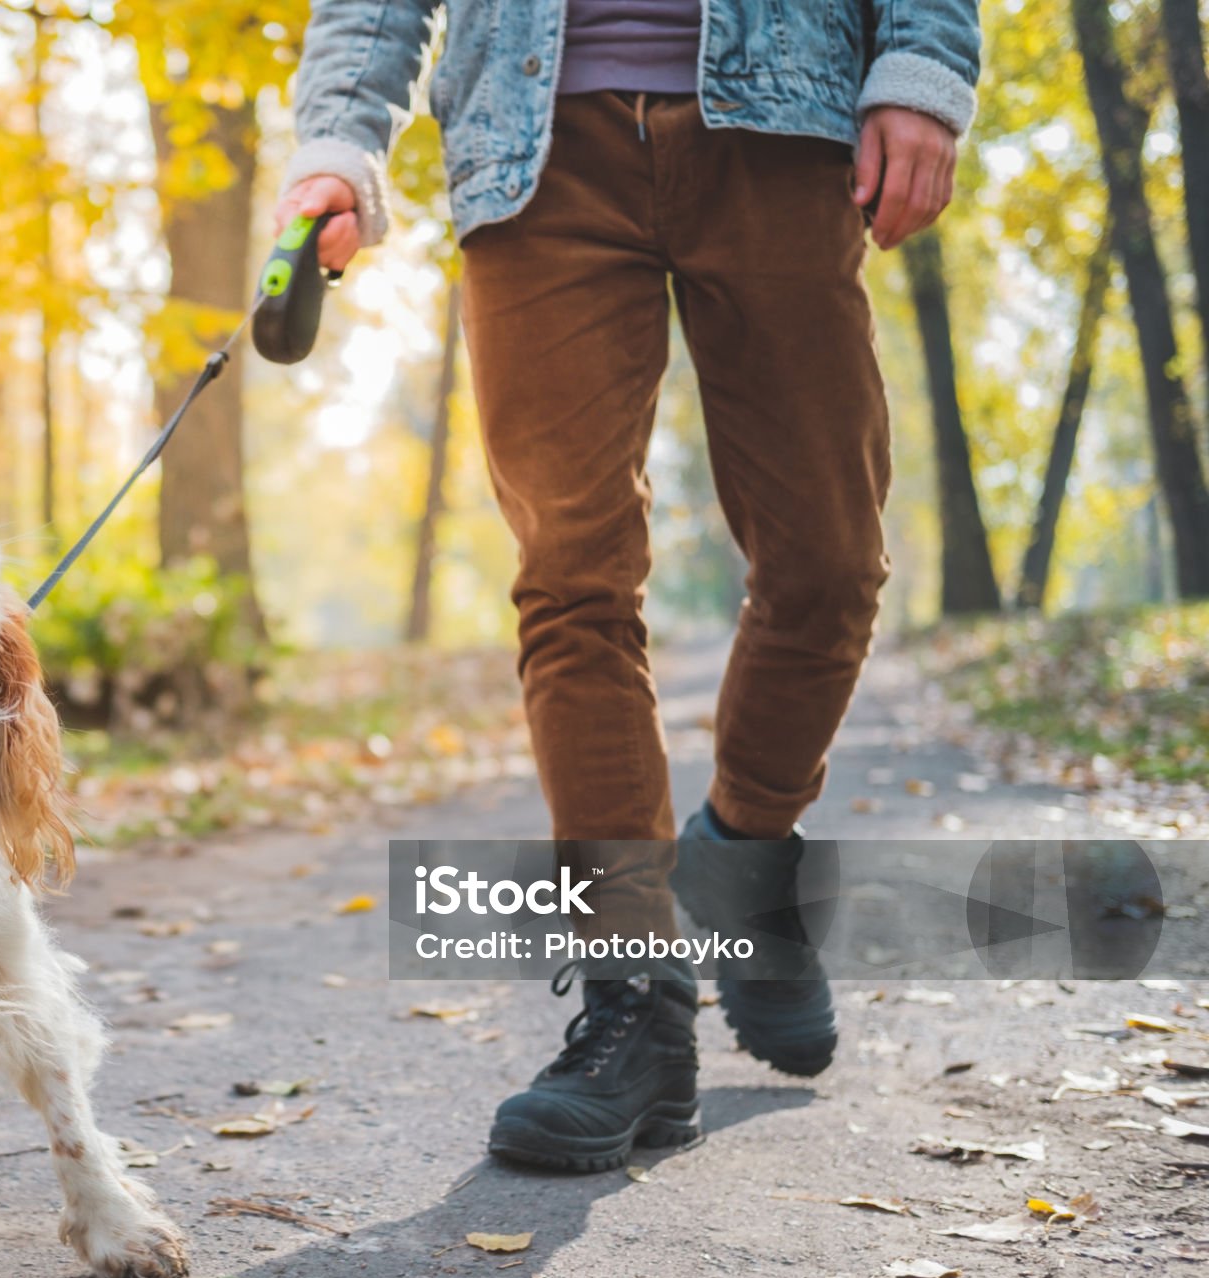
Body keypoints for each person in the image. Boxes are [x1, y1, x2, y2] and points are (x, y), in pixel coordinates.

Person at [276, 1, 980, 1171]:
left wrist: (919, 62)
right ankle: (634, 1003)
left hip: (781, 123)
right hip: (531, 147)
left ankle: (745, 853)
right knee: (570, 579)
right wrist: (338, 142)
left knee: (827, 562)